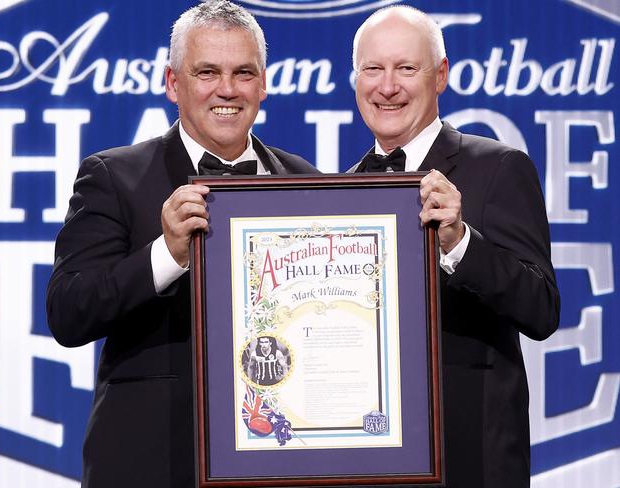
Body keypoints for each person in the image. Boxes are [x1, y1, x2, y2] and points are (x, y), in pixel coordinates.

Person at [46, 1, 318, 486]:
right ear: (173, 83)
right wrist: (166, 256)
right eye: (207, 72)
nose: (228, 90)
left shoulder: (305, 182)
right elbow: (69, 312)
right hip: (152, 458)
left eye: (243, 72)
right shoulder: (114, 177)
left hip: (282, 456)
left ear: (263, 82)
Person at [349, 6, 560, 488]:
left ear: (440, 75)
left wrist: (461, 244)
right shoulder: (345, 188)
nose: (388, 86)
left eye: (406, 68)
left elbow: (542, 309)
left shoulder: (499, 167)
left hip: (471, 458)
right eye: (373, 69)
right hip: (369, 459)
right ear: (356, 79)